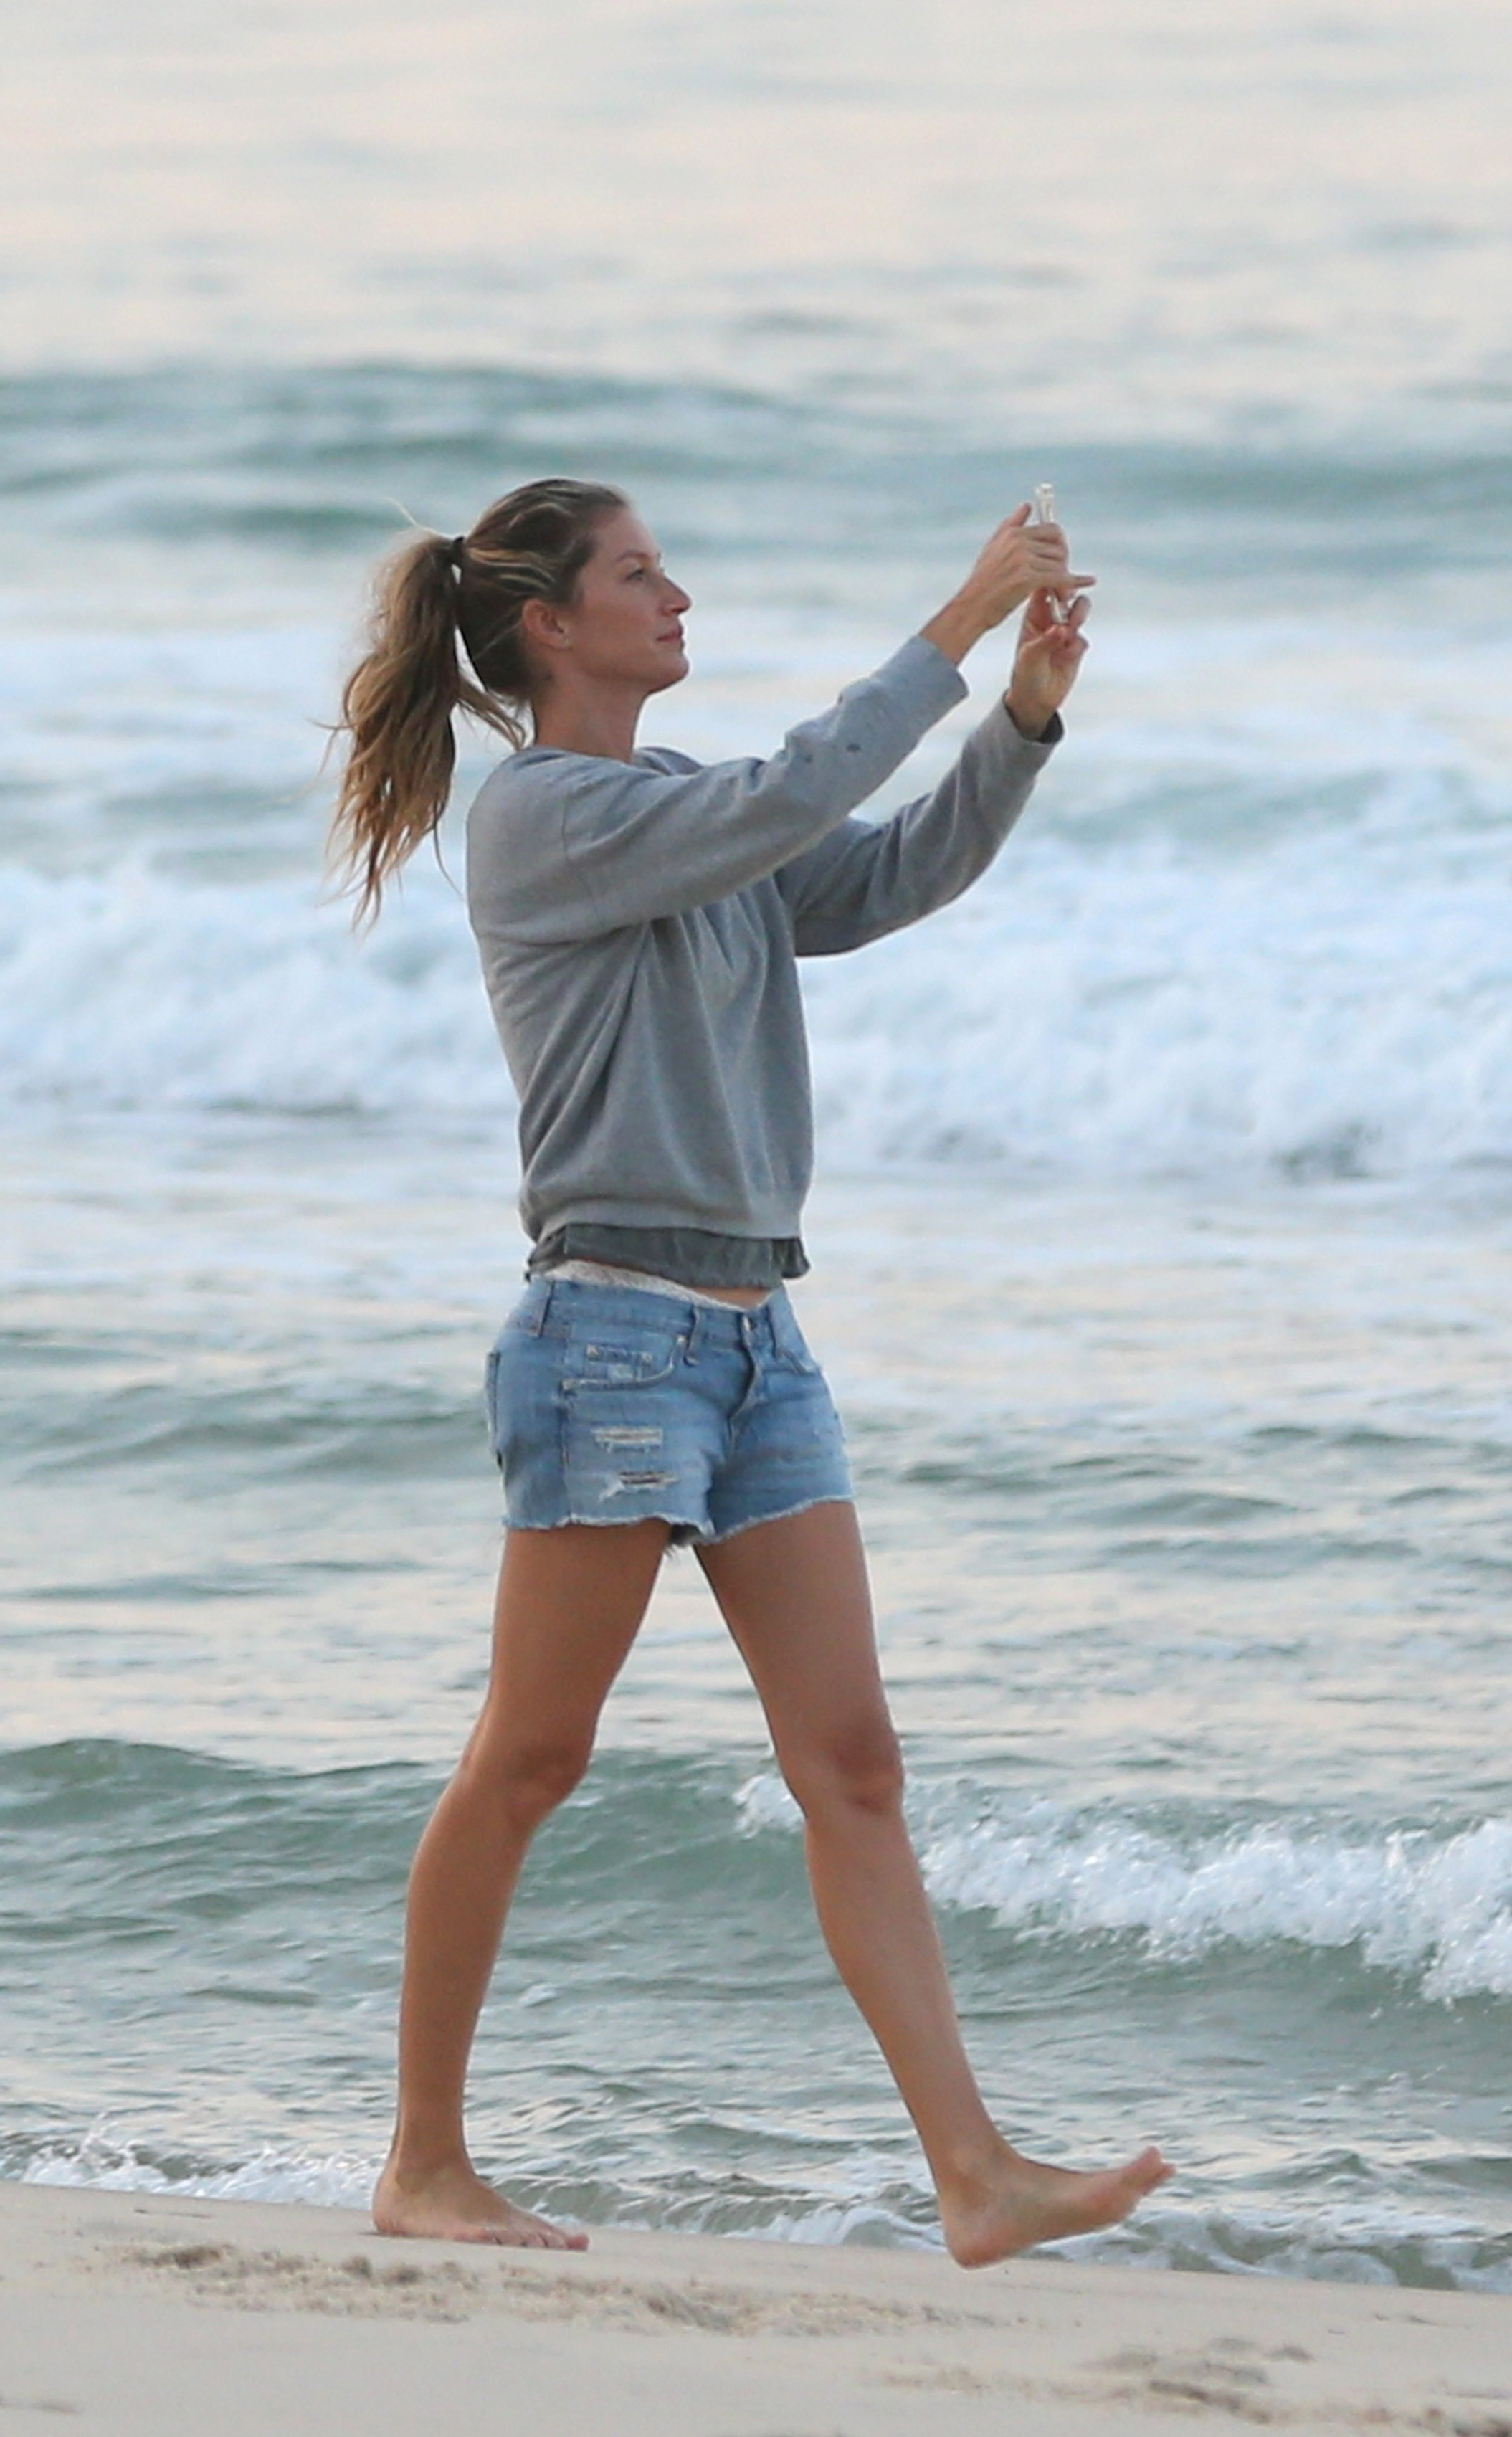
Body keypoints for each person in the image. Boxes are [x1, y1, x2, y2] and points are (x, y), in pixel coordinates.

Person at [329, 479, 1170, 2264]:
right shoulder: (546, 817)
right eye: (641, 574)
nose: (678, 595)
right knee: (532, 1756)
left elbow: (878, 872)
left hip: (756, 1341)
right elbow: (793, 793)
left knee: (853, 1763)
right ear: (550, 622)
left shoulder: (681, 816)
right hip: (612, 1337)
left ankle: (975, 2176)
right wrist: (957, 618)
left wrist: (1022, 719)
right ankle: (422, 2162)